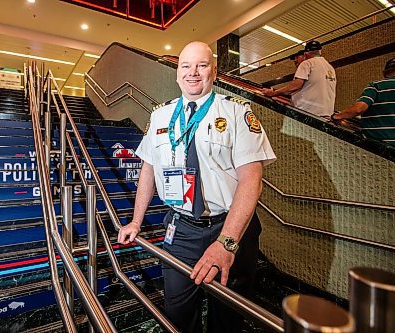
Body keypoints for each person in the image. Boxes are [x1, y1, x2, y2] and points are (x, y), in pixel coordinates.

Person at [117, 41, 276, 333]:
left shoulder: (236, 113)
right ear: (177, 74)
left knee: (228, 311)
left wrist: (227, 243)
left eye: (201, 65)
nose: (193, 73)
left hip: (232, 228)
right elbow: (149, 168)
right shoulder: (160, 116)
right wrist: (136, 221)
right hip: (181, 229)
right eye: (186, 66)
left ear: (213, 72)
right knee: (178, 311)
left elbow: (251, 179)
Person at [262, 40, 336, 116]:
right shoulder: (330, 68)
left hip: (308, 113)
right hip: (327, 114)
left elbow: (295, 86)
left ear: (305, 54)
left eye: (297, 57)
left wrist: (273, 93)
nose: (295, 60)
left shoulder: (307, 63)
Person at [331, 58, 395, 145]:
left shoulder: (377, 86)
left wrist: (336, 116)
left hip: (381, 146)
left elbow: (359, 109)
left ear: (384, 72)